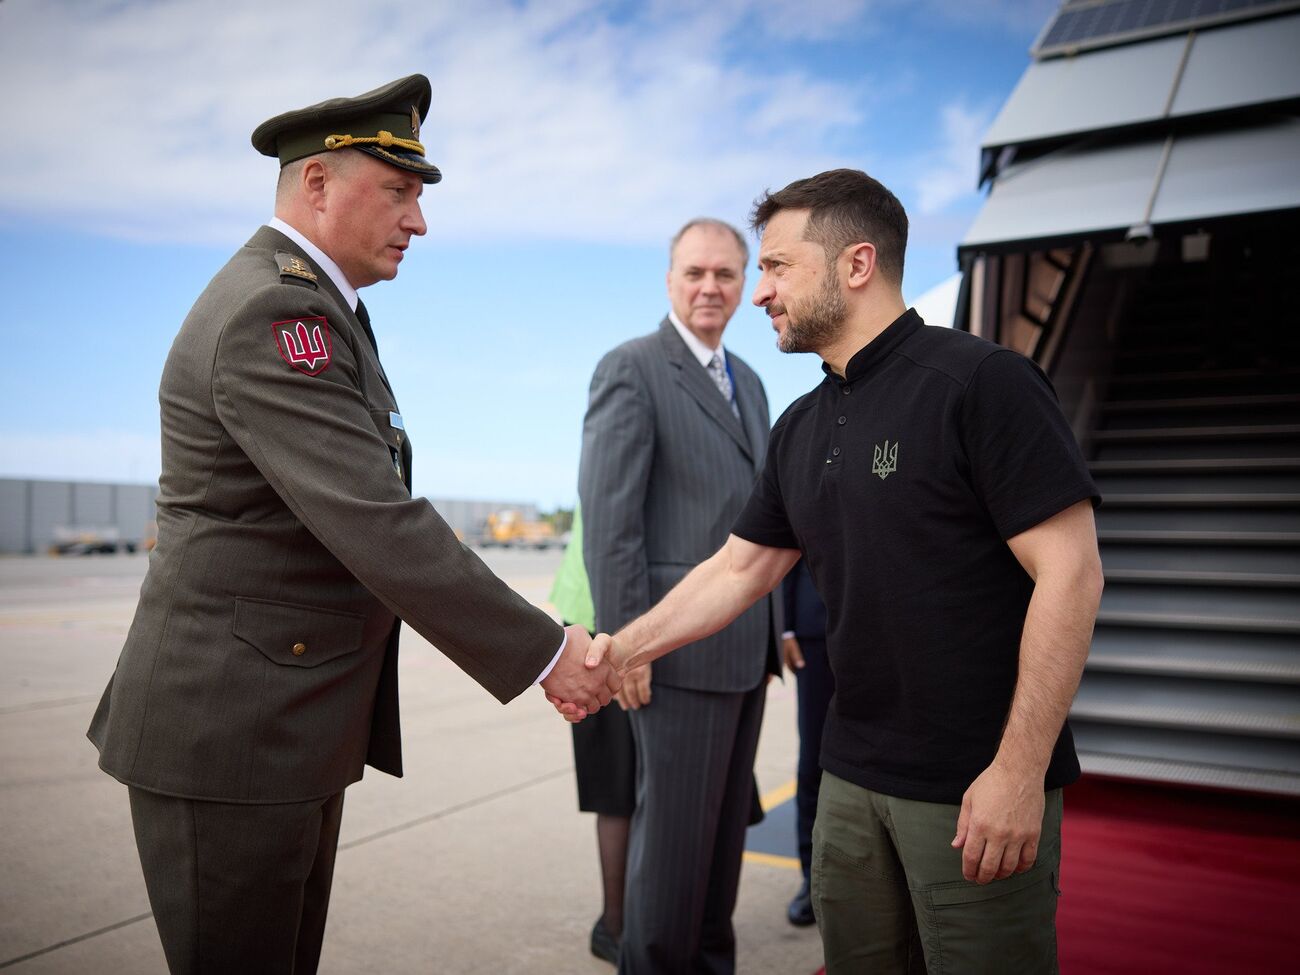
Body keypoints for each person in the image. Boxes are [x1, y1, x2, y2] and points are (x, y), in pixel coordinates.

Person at [86, 75, 618, 974]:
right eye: (401, 192)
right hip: (234, 738)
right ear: (319, 185)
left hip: (279, 727)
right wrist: (545, 651)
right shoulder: (276, 309)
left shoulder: (323, 309)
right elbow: (376, 520)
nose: (419, 222)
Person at [585, 169, 1104, 974]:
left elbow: (1072, 574)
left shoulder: (982, 383)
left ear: (856, 265)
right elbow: (739, 568)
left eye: (777, 267)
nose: (759, 292)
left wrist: (1018, 770)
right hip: (850, 782)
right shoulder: (800, 423)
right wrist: (623, 647)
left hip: (971, 791)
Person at [578, 218, 783, 974]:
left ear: (744, 283)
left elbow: (764, 523)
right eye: (695, 272)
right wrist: (632, 645)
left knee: (722, 847)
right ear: (669, 279)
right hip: (674, 656)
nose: (710, 287)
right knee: (669, 857)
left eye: (726, 274)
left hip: (744, 651)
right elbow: (610, 524)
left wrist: (778, 627)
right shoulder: (631, 369)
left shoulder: (752, 384)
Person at [550, 507, 631, 964]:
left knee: (626, 786)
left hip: (615, 618)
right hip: (603, 623)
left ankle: (622, 921)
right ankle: (614, 925)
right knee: (617, 788)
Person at [780, 558, 832, 927]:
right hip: (815, 628)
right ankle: (813, 879)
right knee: (813, 758)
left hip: (890, 621)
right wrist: (783, 629)